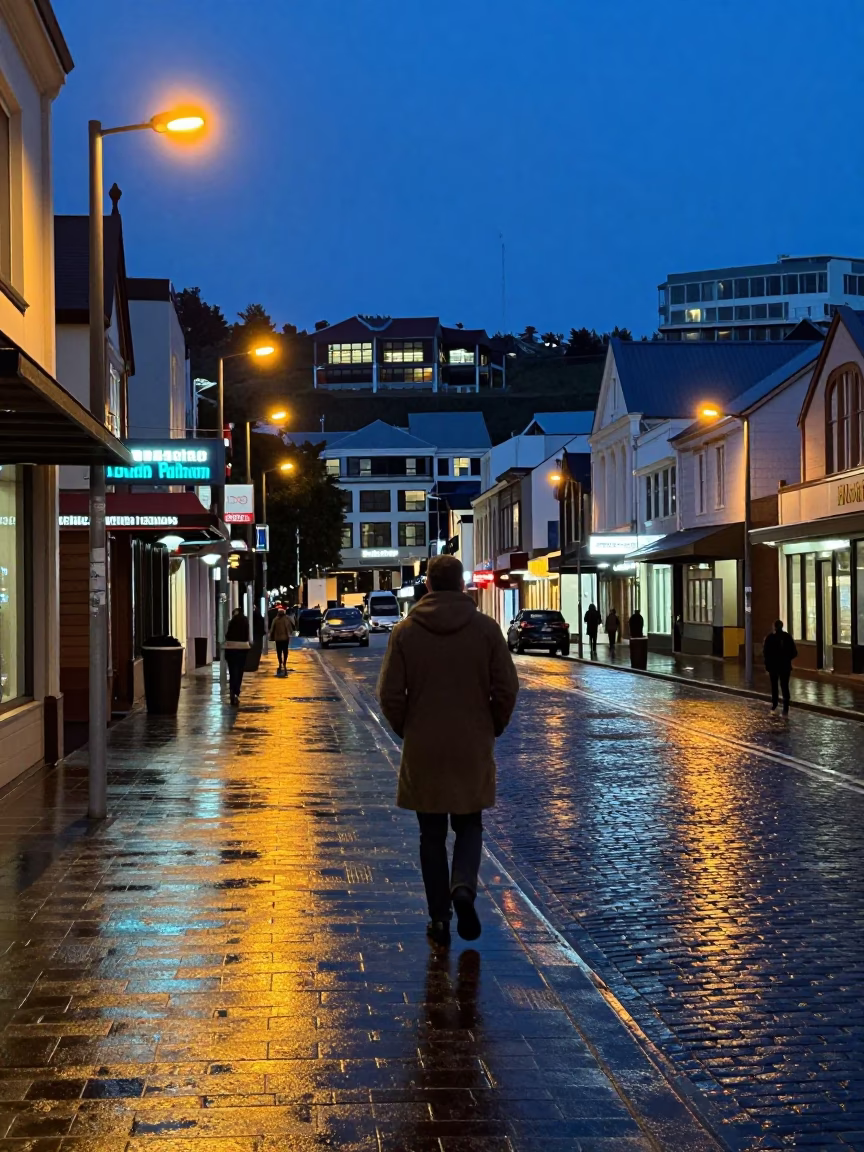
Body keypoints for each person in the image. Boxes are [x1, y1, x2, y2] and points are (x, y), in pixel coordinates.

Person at [377, 554, 519, 948]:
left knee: (431, 834)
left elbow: (389, 693)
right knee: (470, 824)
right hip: (471, 744)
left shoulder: (405, 632)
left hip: (424, 746)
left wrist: (408, 729)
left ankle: (439, 916)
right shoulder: (487, 631)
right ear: (461, 586)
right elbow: (506, 688)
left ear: (427, 585)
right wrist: (492, 725)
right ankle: (463, 889)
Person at [763, 619, 797, 714]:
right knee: (785, 686)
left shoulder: (770, 638)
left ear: (774, 627)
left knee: (774, 686)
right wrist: (786, 658)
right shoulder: (787, 637)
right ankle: (785, 707)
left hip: (773, 666)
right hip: (785, 666)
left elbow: (766, 653)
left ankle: (775, 704)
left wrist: (767, 665)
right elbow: (794, 652)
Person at [224, 607, 250, 706]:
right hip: (242, 648)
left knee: (232, 671)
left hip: (231, 649)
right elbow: (247, 634)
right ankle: (236, 691)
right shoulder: (245, 621)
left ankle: (232, 689)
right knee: (239, 671)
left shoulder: (232, 622)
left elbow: (228, 635)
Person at [269, 606, 294, 675]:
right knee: (285, 651)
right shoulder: (287, 619)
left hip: (278, 639)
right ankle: (284, 662)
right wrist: (290, 633)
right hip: (285, 638)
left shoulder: (275, 619)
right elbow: (291, 626)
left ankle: (280, 662)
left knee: (279, 651)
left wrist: (271, 637)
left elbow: (272, 629)